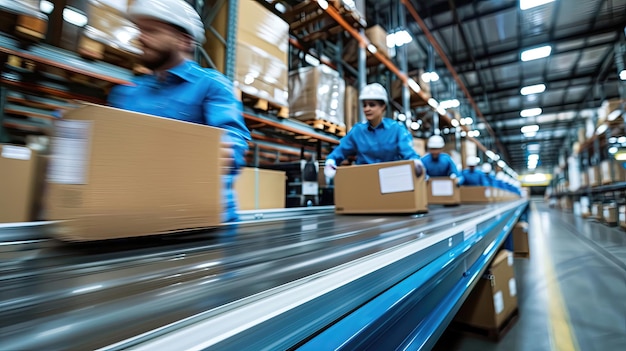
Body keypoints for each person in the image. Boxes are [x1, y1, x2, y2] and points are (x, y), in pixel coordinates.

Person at [107, 0, 251, 222]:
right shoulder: (127, 94)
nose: (141, 38)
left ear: (184, 40)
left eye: (152, 30)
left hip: (200, 224)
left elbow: (232, 143)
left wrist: (222, 152)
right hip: (134, 219)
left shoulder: (211, 86)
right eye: (140, 30)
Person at [323, 83, 424, 178]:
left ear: (383, 106)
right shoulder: (357, 132)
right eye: (364, 105)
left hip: (391, 180)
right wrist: (331, 162)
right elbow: (340, 150)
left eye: (372, 105)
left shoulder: (396, 129)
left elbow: (408, 152)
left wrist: (415, 161)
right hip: (365, 180)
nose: (367, 109)